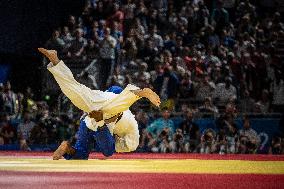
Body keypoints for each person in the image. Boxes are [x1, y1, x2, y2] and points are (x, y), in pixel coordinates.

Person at [38, 48, 161, 160]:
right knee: (108, 150)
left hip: (92, 115)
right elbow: (108, 147)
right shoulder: (131, 134)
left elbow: (116, 92)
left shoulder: (124, 119)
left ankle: (55, 61)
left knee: (74, 90)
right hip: (105, 113)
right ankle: (140, 93)